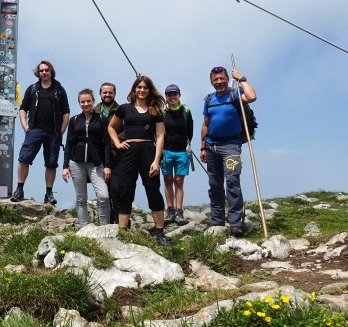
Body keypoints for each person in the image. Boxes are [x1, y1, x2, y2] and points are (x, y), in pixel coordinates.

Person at [107, 75, 169, 246]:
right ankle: (123, 232)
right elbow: (111, 127)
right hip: (128, 152)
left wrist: (157, 160)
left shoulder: (155, 110)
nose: (142, 90)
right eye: (139, 87)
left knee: (152, 189)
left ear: (149, 90)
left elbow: (160, 135)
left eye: (145, 88)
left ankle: (159, 233)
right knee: (125, 189)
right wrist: (118, 143)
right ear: (134, 90)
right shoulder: (124, 109)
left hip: (149, 151)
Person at [200, 66, 257, 237]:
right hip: (211, 146)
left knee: (232, 182)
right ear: (211, 82)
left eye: (222, 78)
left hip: (231, 145)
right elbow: (205, 124)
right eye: (215, 80)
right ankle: (217, 221)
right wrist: (202, 147)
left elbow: (252, 97)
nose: (219, 82)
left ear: (227, 79)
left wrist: (242, 78)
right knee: (215, 184)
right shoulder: (209, 99)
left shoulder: (235, 94)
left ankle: (235, 223)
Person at [12, 60, 70, 205]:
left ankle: (49, 194)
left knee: (51, 163)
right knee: (24, 158)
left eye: (47, 70)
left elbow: (66, 112)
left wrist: (61, 131)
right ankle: (19, 189)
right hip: (35, 130)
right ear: (38, 73)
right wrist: (25, 126)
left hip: (53, 132)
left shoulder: (59, 90)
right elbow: (23, 108)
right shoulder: (32, 89)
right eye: (41, 70)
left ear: (51, 72)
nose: (44, 73)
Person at [62, 89, 111, 227]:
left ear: (93, 101)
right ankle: (84, 229)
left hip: (96, 163)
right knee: (81, 198)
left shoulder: (102, 119)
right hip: (76, 163)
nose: (85, 104)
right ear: (79, 103)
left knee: (103, 196)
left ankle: (104, 229)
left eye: (88, 101)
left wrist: (108, 165)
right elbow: (69, 143)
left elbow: (107, 143)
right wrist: (65, 167)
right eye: (82, 101)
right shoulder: (74, 120)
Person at [160, 84, 193, 226]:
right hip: (166, 150)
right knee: (167, 180)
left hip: (182, 151)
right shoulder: (162, 112)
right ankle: (170, 209)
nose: (172, 97)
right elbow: (159, 132)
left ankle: (179, 211)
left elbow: (190, 131)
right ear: (166, 97)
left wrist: (187, 145)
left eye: (175, 94)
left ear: (179, 95)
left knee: (179, 181)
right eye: (169, 95)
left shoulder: (186, 111)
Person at [93, 81, 120, 224]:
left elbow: (126, 131)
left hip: (117, 155)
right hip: (99, 156)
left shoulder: (122, 110)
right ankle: (106, 221)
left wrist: (115, 144)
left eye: (110, 92)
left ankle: (120, 221)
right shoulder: (93, 112)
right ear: (100, 94)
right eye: (105, 92)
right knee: (103, 191)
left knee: (116, 189)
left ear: (114, 94)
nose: (107, 95)